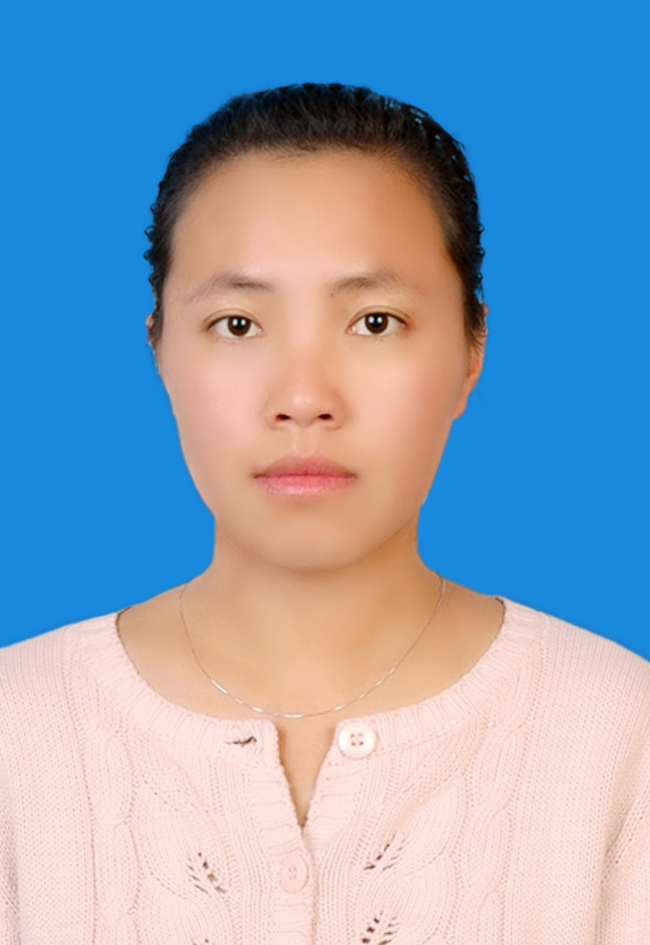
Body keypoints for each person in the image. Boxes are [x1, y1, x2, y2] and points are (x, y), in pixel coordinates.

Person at [0, 82, 648, 943]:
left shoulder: (621, 736)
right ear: (158, 348)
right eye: (238, 324)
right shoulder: (17, 732)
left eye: (374, 321)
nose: (304, 397)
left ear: (472, 350)